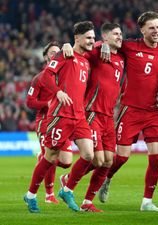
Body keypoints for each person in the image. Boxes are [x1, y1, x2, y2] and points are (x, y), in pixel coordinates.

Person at [99, 11, 158, 212]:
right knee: (121, 157)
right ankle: (107, 177)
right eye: (152, 28)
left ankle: (147, 202)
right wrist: (103, 44)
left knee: (156, 156)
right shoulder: (130, 46)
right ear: (142, 30)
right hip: (130, 110)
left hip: (153, 111)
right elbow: (110, 43)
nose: (156, 31)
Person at [23, 21, 95, 213]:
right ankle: (30, 195)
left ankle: (67, 189)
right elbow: (47, 75)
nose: (91, 41)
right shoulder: (65, 54)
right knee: (50, 156)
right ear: (77, 38)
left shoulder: (86, 61)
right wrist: (57, 92)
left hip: (79, 116)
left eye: (93, 38)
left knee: (89, 155)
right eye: (88, 37)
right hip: (60, 115)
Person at [60, 22, 124, 212]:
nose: (120, 37)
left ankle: (87, 202)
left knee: (109, 161)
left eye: (121, 33)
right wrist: (66, 45)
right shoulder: (95, 52)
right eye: (115, 34)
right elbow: (78, 50)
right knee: (97, 160)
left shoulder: (121, 58)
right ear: (104, 38)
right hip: (92, 113)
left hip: (109, 116)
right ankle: (68, 184)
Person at [26, 41, 73, 205]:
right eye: (52, 52)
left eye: (57, 51)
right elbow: (30, 102)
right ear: (46, 57)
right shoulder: (39, 78)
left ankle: (47, 161)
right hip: (45, 120)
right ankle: (49, 195)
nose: (56, 54)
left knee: (67, 162)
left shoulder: (65, 75)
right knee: (51, 156)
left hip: (63, 119)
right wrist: (46, 104)